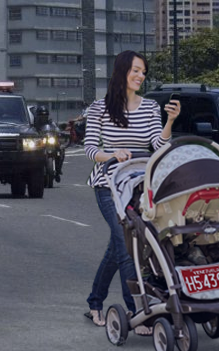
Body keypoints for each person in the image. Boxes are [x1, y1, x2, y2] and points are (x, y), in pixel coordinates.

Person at [83, 50, 180, 335]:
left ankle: (94, 302)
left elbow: (158, 146)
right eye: (135, 70)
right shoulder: (100, 108)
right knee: (126, 246)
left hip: (138, 186)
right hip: (108, 184)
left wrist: (170, 122)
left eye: (143, 72)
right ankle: (135, 311)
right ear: (122, 72)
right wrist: (112, 154)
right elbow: (90, 149)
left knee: (118, 247)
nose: (140, 76)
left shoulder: (150, 107)